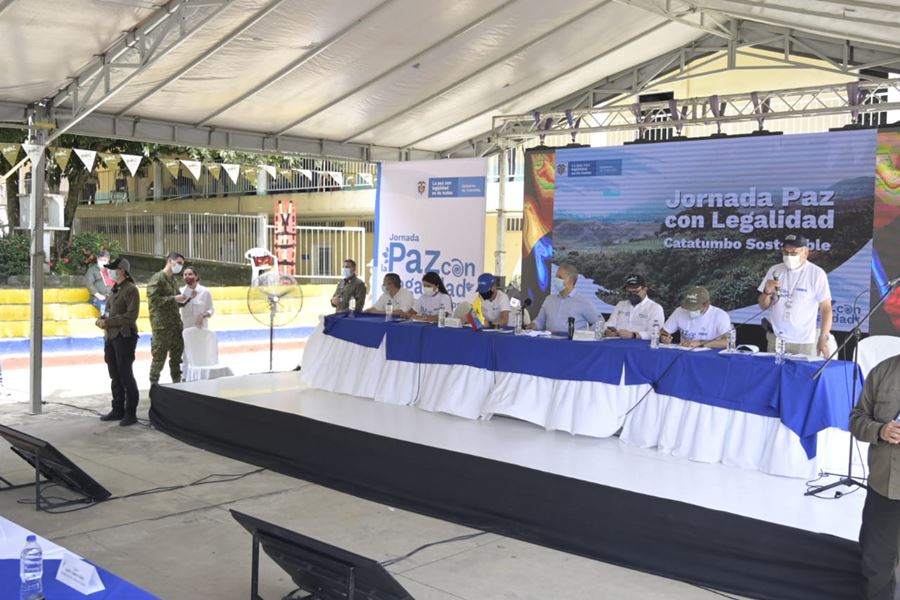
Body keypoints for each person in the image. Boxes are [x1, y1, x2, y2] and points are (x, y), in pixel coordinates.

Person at [849, 353, 900, 600]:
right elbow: (856, 420)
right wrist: (881, 430)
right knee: (876, 564)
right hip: (884, 488)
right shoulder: (883, 371)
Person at [757, 233, 832, 356]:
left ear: (805, 253)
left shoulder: (816, 274)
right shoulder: (775, 270)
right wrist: (767, 291)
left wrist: (823, 337)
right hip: (776, 338)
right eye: (786, 253)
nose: (789, 257)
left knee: (802, 374)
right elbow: (763, 306)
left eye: (793, 253)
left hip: (803, 341)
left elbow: (826, 308)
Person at [95, 258, 141, 426]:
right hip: (111, 336)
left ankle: (130, 413)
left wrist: (108, 322)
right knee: (115, 375)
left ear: (122, 270)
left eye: (114, 269)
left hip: (124, 337)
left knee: (125, 374)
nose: (110, 272)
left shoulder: (131, 290)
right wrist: (101, 320)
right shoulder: (115, 289)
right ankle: (117, 409)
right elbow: (109, 312)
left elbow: (131, 316)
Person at [147, 251, 188, 385]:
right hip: (162, 326)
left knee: (176, 357)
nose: (180, 266)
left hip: (175, 324)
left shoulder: (173, 280)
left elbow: (177, 299)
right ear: (170, 261)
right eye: (179, 263)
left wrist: (186, 298)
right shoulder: (157, 278)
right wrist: (174, 298)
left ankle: (176, 382)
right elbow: (154, 300)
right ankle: (154, 384)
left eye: (182, 264)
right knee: (159, 357)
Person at [531, 263, 600, 333]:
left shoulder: (583, 302)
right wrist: (532, 326)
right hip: (550, 341)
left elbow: (599, 322)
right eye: (556, 277)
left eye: (560, 277)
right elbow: (539, 322)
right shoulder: (549, 300)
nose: (556, 280)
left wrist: (586, 335)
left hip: (571, 343)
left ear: (571, 281)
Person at [660, 286, 731, 348]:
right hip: (683, 353)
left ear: (706, 304)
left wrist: (700, 343)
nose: (691, 310)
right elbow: (664, 332)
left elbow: (728, 341)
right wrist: (664, 337)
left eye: (695, 308)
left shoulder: (720, 315)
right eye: (689, 307)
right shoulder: (680, 311)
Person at [605, 273, 665, 339]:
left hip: (641, 346)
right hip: (617, 342)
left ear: (645, 289)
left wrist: (633, 335)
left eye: (636, 292)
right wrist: (607, 331)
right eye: (629, 292)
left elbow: (655, 333)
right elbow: (609, 324)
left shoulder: (655, 308)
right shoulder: (620, 305)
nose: (632, 295)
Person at [84, 250, 114, 316]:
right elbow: (89, 284)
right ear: (97, 259)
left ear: (108, 260)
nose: (102, 261)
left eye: (105, 260)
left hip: (111, 296)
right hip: (97, 297)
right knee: (104, 308)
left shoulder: (112, 269)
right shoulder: (92, 270)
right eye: (101, 259)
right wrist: (98, 295)